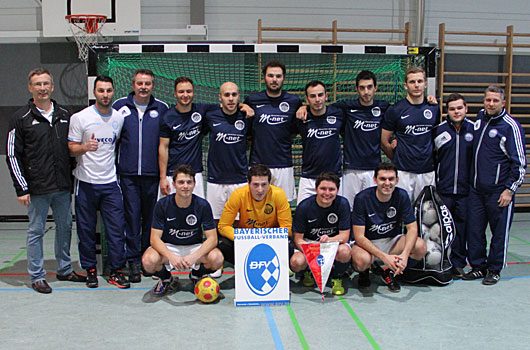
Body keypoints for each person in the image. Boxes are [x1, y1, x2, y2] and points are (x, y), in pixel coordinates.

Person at [6, 68, 86, 293]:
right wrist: (21, 187)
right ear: (30, 88)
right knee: (36, 231)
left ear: (52, 87)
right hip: (37, 187)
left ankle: (64, 269)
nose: (42, 88)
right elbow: (13, 155)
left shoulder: (64, 114)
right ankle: (37, 276)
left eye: (46, 84)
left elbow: (72, 147)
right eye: (37, 84)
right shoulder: (20, 118)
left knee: (65, 228)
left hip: (61, 185)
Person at [68, 75, 129, 289]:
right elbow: (71, 147)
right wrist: (84, 147)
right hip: (85, 183)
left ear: (113, 92)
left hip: (111, 184)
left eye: (109, 90)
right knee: (85, 230)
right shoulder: (80, 118)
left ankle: (116, 271)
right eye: (101, 90)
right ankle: (91, 270)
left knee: (115, 230)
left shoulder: (118, 118)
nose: (105, 94)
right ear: (94, 92)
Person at [463, 86, 526, 285]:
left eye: (495, 101)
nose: (491, 104)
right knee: (474, 231)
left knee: (499, 233)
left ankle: (494, 269)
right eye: (488, 100)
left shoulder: (510, 127)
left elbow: (520, 164)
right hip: (476, 190)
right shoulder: (480, 118)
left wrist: (510, 190)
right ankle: (478, 266)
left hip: (499, 192)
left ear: (503, 102)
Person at [112, 69, 169, 282]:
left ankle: (148, 258)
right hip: (127, 176)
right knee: (131, 218)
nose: (143, 87)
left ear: (152, 85)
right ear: (133, 84)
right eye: (139, 83)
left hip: (153, 176)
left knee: (150, 219)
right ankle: (133, 261)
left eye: (147, 83)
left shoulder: (162, 108)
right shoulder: (119, 107)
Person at [142, 165, 223, 296]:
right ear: (174, 184)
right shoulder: (162, 205)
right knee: (148, 261)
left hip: (194, 247)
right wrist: (171, 256)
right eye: (181, 182)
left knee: (217, 258)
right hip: (170, 247)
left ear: (194, 184)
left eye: (189, 182)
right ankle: (166, 278)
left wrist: (193, 257)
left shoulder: (203, 205)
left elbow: (213, 239)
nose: (185, 186)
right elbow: (154, 239)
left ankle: (197, 275)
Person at [351, 162, 427, 292]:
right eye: (382, 179)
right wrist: (384, 257)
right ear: (375, 180)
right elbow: (359, 237)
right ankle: (367, 270)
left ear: (397, 180)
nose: (387, 183)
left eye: (391, 179)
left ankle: (393, 271)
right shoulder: (362, 198)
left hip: (392, 241)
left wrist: (404, 254)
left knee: (420, 246)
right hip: (368, 243)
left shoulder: (402, 195)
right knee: (361, 260)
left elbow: (412, 228)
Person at [244, 60, 302, 201]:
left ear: (284, 78)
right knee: (256, 204)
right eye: (270, 76)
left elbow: (294, 131)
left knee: (282, 205)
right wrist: (241, 105)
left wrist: (304, 107)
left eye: (278, 76)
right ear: (264, 77)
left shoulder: (294, 101)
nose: (274, 80)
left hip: (283, 164)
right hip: (258, 164)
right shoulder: (252, 100)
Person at [381, 66, 440, 201]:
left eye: (420, 81)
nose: (416, 85)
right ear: (405, 85)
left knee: (427, 216)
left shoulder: (434, 108)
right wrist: (397, 157)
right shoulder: (395, 110)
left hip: (427, 171)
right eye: (412, 82)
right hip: (403, 172)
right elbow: (384, 142)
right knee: (401, 213)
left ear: (425, 84)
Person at [432, 93, 474, 279]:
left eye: (459, 108)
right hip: (444, 189)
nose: (456, 112)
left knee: (462, 228)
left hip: (466, 191)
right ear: (446, 111)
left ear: (466, 108)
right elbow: (431, 158)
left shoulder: (475, 130)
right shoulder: (438, 130)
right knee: (441, 228)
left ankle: (458, 264)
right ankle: (441, 262)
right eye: (452, 109)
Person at [290, 172, 352, 295]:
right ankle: (308, 272)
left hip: (332, 243)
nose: (327, 193)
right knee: (296, 262)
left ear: (337, 190)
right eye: (323, 188)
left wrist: (329, 240)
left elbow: (345, 236)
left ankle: (336, 277)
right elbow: (298, 239)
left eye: (331, 189)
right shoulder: (304, 206)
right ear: (316, 189)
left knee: (345, 251)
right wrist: (314, 250)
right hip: (309, 244)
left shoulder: (343, 204)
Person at [217, 164, 293, 264]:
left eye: (264, 184)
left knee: (290, 246)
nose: (260, 190)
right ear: (248, 182)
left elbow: (287, 228)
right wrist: (246, 238)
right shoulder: (238, 194)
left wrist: (262, 238)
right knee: (223, 245)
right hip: (245, 241)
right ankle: (243, 264)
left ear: (270, 183)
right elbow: (223, 226)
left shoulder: (279, 194)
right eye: (255, 185)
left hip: (270, 241)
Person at [204, 82, 251, 221]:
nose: (230, 98)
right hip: (215, 179)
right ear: (220, 97)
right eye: (227, 95)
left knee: (240, 221)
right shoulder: (210, 116)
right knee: (215, 221)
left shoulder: (247, 116)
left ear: (239, 97)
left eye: (234, 95)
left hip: (240, 179)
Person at [296, 81, 344, 204]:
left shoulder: (338, 113)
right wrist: (302, 107)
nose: (317, 99)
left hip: (334, 177)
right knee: (303, 213)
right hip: (309, 177)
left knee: (334, 217)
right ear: (307, 99)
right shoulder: (301, 118)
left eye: (320, 95)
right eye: (312, 96)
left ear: (326, 96)